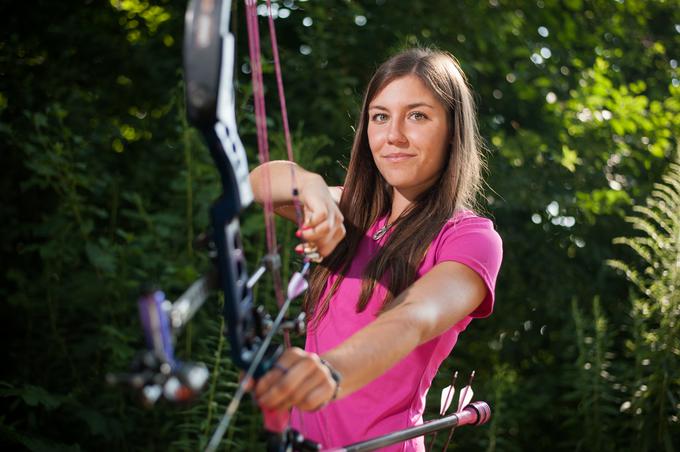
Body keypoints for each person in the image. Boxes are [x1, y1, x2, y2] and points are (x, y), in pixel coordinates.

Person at [248, 48, 503, 451]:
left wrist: (330, 372)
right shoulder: (350, 211)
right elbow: (259, 183)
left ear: (453, 130)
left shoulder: (470, 238)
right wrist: (312, 187)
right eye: (380, 116)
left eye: (417, 115)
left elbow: (414, 317)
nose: (393, 135)